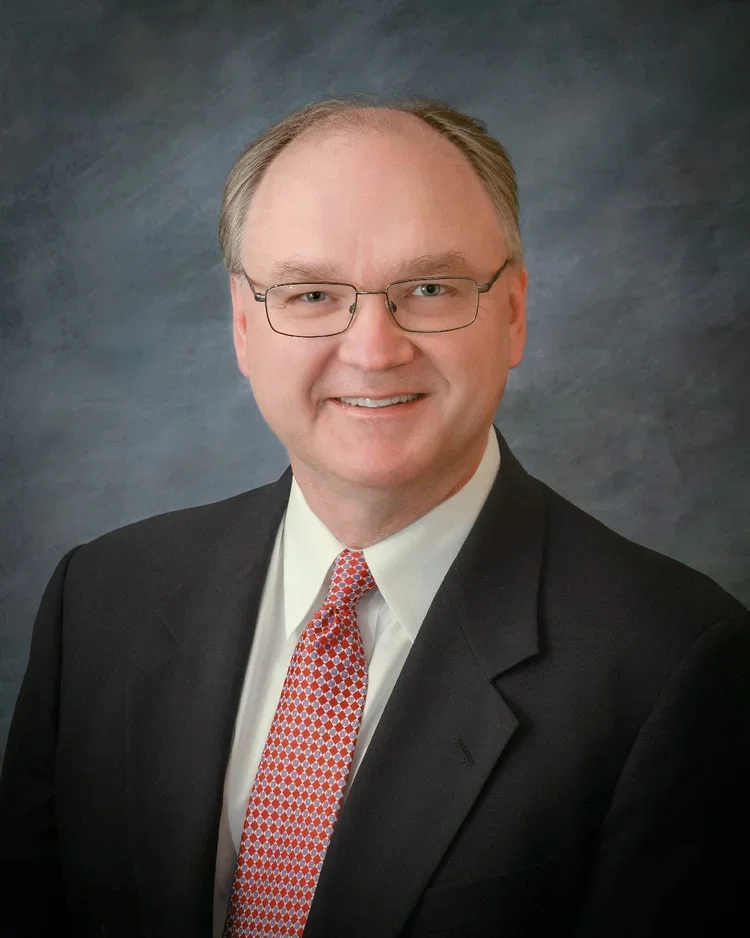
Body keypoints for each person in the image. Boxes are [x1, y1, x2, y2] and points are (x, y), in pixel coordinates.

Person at [1, 94, 748, 938]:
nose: (374, 348)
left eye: (430, 288)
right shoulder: (101, 599)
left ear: (513, 314)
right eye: (312, 293)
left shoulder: (674, 666)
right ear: (243, 326)